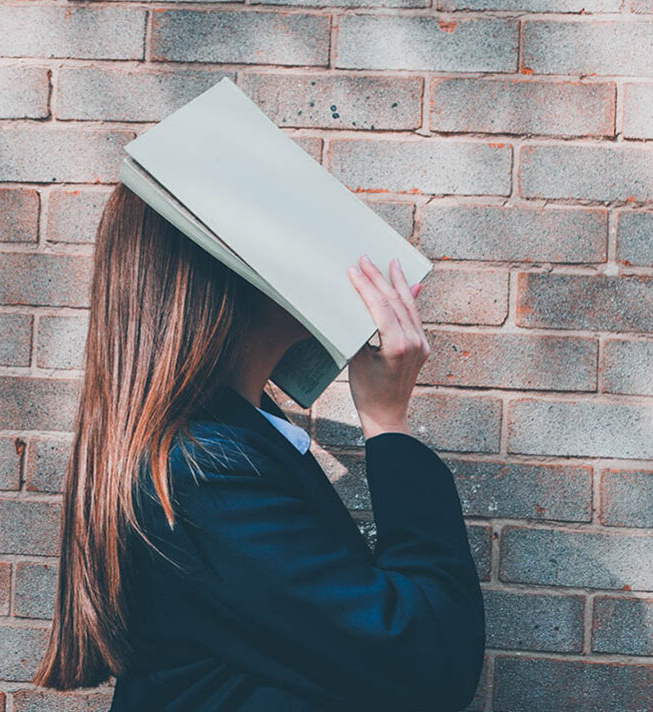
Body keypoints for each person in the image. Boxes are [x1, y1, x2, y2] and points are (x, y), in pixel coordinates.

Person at [31, 183, 486, 711]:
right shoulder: (204, 474)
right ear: (225, 275)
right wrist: (387, 423)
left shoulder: (227, 448)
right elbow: (428, 661)